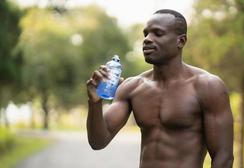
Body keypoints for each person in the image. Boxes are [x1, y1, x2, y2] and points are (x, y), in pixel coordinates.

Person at [86, 9, 234, 168]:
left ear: (181, 41)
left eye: (158, 33)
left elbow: (223, 157)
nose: (147, 39)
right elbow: (98, 141)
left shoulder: (207, 86)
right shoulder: (132, 87)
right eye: (146, 34)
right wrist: (94, 102)